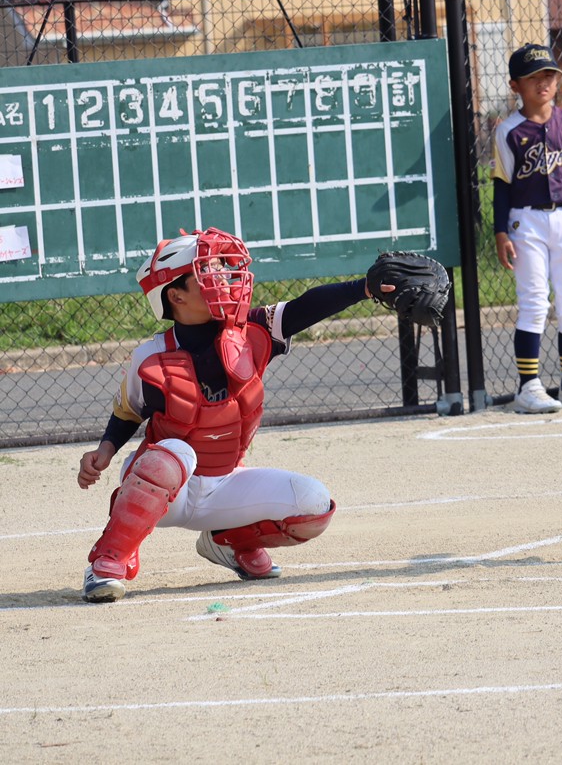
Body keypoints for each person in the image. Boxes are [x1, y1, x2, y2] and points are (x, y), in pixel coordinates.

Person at [77, 227, 381, 603]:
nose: (223, 279)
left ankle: (226, 542)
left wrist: (365, 288)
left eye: (221, 269)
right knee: (175, 455)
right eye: (208, 272)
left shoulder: (252, 332)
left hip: (224, 485)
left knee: (314, 504)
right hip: (165, 488)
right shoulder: (149, 357)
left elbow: (305, 307)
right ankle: (109, 559)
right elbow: (128, 412)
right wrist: (104, 452)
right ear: (176, 295)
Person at [493, 43, 562, 413]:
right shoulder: (508, 130)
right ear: (515, 85)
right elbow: (502, 185)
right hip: (526, 220)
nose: (543, 82)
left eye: (549, 75)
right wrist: (500, 232)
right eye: (533, 77)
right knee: (534, 303)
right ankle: (528, 387)